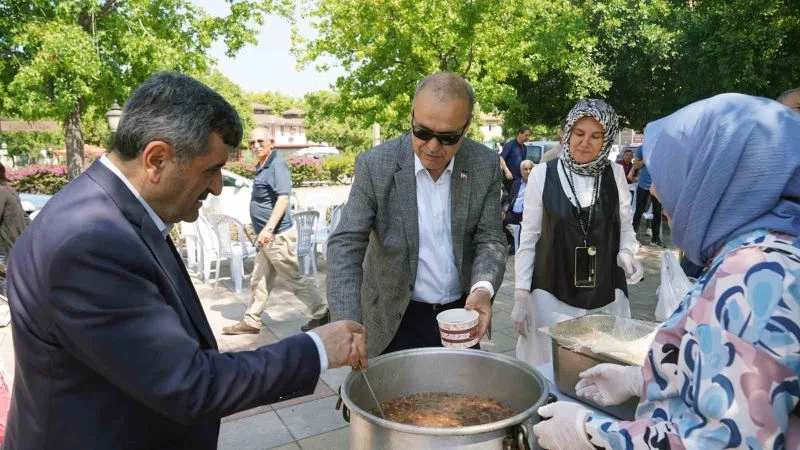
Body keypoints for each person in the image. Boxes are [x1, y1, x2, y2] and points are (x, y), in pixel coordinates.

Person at [4, 71, 367, 449]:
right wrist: (317, 348)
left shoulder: (112, 214)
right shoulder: (89, 241)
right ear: (156, 159)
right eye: (210, 170)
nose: (215, 187)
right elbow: (189, 383)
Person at [533, 93, 800, 450]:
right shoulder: (763, 253)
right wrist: (645, 379)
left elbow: (723, 442)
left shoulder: (754, 275)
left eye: (674, 171)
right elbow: (725, 373)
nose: (656, 189)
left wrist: (591, 434)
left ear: (716, 177)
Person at [326, 72, 507, 356]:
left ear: (467, 125)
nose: (433, 147)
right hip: (392, 319)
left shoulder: (484, 164)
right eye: (422, 132)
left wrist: (483, 289)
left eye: (448, 138)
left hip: (461, 314)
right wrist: (347, 323)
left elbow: (490, 239)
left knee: (463, 399)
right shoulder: (376, 166)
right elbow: (345, 245)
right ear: (412, 115)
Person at [512, 99, 643, 367]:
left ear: (606, 139)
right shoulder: (542, 175)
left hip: (606, 292)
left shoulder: (615, 174)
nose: (585, 143)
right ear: (568, 133)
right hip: (550, 292)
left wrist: (628, 253)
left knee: (601, 370)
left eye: (596, 136)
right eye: (579, 134)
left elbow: (626, 229)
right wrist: (520, 293)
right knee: (550, 368)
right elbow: (529, 238)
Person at [222, 127, 329, 335]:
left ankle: (322, 312)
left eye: (260, 141)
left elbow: (283, 198)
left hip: (276, 236)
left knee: (293, 279)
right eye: (252, 143)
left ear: (271, 142)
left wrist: (268, 229)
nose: (256, 146)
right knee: (259, 278)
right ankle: (252, 320)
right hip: (266, 236)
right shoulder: (262, 165)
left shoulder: (277, 165)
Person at [630, 144, 664, 247]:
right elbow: (636, 165)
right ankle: (633, 236)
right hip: (643, 184)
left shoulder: (662, 146)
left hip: (657, 185)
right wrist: (646, 159)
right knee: (639, 210)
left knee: (657, 212)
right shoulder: (642, 148)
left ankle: (655, 238)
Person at [503, 160, 534, 254]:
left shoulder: (536, 184)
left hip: (526, 214)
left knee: (523, 230)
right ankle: (512, 240)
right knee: (498, 221)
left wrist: (527, 214)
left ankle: (518, 247)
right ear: (521, 171)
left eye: (530, 169)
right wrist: (503, 211)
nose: (528, 171)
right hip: (513, 213)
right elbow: (509, 199)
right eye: (525, 169)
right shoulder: (516, 183)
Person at [0, 163, 29, 259]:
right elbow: (26, 219)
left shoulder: (2, 192)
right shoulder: (9, 190)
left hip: (5, 251)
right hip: (17, 248)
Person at [499, 126, 531, 193]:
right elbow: (501, 158)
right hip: (510, 179)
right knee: (512, 199)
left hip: (519, 179)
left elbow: (523, 164)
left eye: (529, 136)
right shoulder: (510, 145)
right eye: (526, 135)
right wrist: (507, 171)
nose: (527, 137)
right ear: (520, 133)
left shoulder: (525, 148)